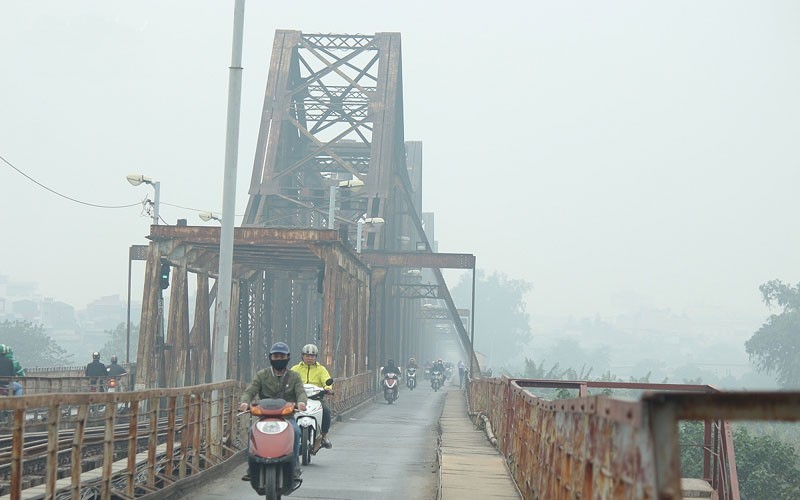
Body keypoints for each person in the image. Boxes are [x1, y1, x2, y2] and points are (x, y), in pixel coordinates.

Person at [239, 342, 307, 481]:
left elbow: (301, 392)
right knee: (252, 432)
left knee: (296, 431)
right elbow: (251, 390)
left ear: (288, 357)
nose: (279, 359)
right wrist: (245, 402)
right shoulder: (262, 375)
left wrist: (301, 403)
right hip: (265, 416)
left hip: (287, 416)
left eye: (282, 356)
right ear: (270, 357)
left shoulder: (294, 376)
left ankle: (294, 467)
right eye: (276, 356)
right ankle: (251, 468)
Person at [291, 343, 333, 451]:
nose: (310, 358)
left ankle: (323, 436)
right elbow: (289, 380)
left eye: (312, 356)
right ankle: (286, 433)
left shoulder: (321, 369)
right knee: (286, 410)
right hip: (299, 397)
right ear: (302, 356)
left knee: (327, 411)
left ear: (316, 357)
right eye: (307, 355)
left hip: (317, 397)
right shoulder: (295, 369)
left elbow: (326, 380)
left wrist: (328, 388)